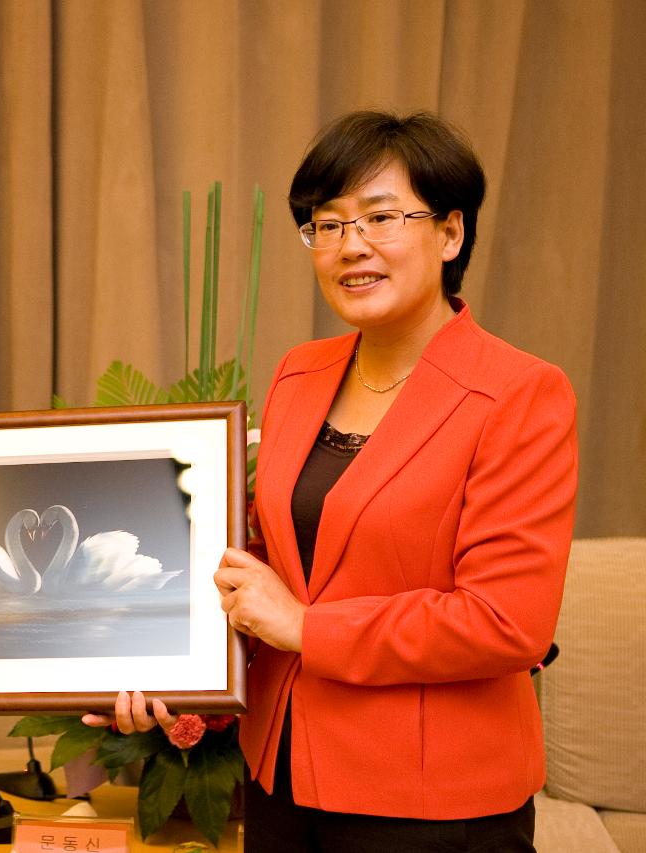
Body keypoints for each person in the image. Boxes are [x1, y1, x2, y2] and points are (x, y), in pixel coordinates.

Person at [88, 111, 577, 852]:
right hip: (282, 776)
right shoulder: (299, 372)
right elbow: (266, 566)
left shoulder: (521, 394)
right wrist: (168, 666)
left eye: (381, 218)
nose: (351, 246)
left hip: (431, 802)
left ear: (451, 233)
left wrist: (309, 629)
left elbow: (505, 621)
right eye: (326, 224)